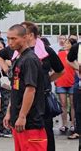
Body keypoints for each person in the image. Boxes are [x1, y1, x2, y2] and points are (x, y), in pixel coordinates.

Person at [21, 21, 64, 151]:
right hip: (23, 96)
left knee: (46, 131)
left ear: (30, 35)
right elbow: (0, 57)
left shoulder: (46, 51)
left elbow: (60, 70)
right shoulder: (19, 52)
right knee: (26, 131)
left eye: (22, 32)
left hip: (42, 98)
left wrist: (46, 81)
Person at [3, 24, 47, 151]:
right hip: (18, 120)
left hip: (31, 121)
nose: (10, 42)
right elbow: (16, 88)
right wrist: (9, 112)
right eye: (8, 38)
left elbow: (30, 89)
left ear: (25, 37)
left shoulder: (30, 59)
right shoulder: (18, 58)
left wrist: (22, 116)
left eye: (14, 39)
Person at [55, 38, 78, 134]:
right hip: (61, 81)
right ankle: (64, 124)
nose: (65, 44)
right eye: (65, 43)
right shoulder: (60, 54)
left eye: (68, 43)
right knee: (63, 104)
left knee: (73, 104)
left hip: (73, 81)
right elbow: (56, 66)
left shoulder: (76, 55)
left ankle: (73, 124)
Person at [67, 40, 81, 142]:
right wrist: (78, 69)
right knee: (79, 110)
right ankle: (78, 131)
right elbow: (69, 59)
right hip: (79, 85)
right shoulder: (77, 47)